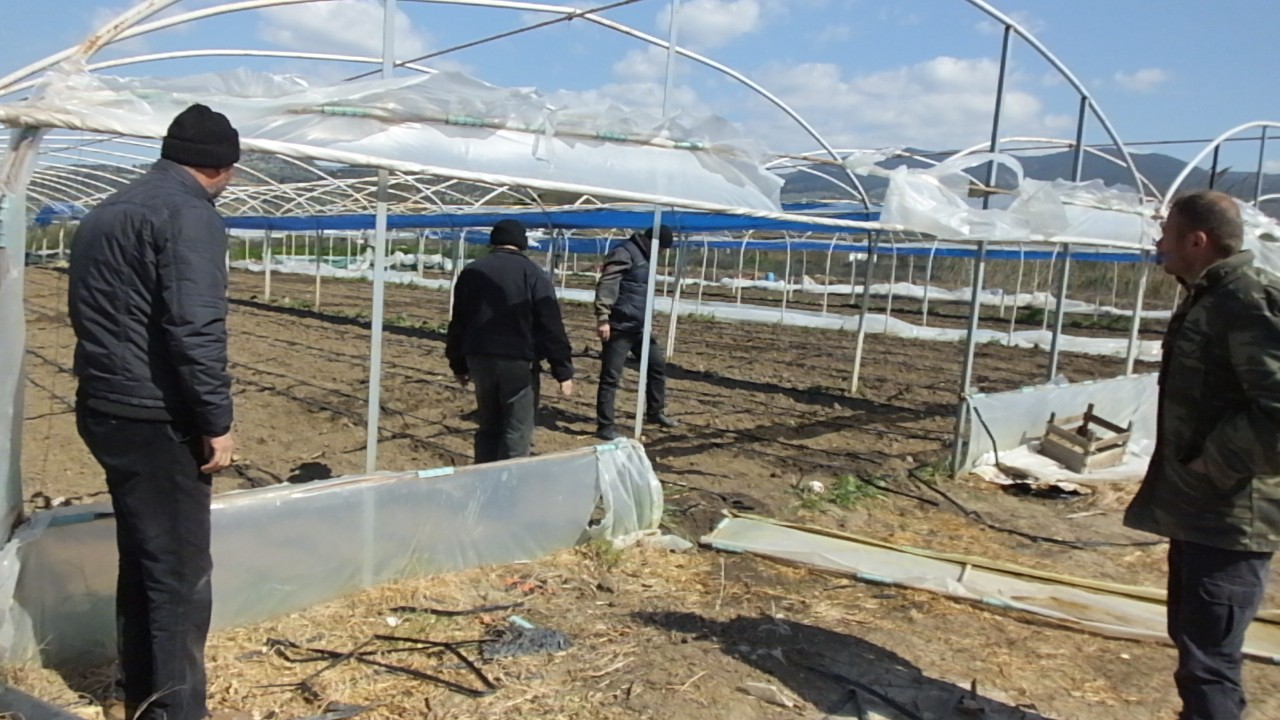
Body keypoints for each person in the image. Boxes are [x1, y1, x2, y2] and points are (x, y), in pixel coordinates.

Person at [69, 104, 240, 720]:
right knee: (180, 575)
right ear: (222, 168)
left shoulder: (107, 210)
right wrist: (216, 421)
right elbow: (195, 328)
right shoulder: (190, 215)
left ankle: (139, 693)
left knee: (144, 554)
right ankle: (175, 711)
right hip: (154, 416)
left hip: (105, 406)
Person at [1124, 190, 1280, 720]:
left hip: (1232, 512)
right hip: (1202, 506)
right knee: (1196, 641)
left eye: (1167, 232)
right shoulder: (1210, 295)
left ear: (1197, 240)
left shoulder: (1246, 299)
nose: (1158, 242)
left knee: (1210, 657)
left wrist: (1213, 461)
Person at [446, 219, 574, 463]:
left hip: (479, 358)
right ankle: (507, 488)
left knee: (489, 425)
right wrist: (563, 371)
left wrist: (458, 365)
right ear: (521, 243)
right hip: (518, 360)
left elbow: (458, 322)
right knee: (517, 429)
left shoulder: (472, 271)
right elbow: (550, 324)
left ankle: (483, 480)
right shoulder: (533, 274)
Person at [594, 225, 680, 441]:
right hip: (620, 326)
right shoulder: (624, 253)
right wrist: (603, 318)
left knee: (657, 366)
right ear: (653, 242)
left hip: (640, 327)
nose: (662, 253)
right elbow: (607, 284)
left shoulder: (645, 256)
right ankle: (605, 427)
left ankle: (655, 412)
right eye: (662, 248)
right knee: (611, 377)